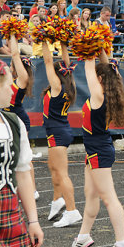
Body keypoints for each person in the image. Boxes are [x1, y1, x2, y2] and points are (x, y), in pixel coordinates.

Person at [67, 51, 124, 247]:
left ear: (100, 79)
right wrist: (101, 49)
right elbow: (106, 69)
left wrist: (88, 48)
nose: (92, 79)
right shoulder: (105, 91)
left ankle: (122, 242)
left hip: (99, 152)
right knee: (91, 195)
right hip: (95, 152)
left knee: (109, 198)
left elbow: (89, 69)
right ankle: (84, 236)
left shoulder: (98, 96)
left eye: (96, 77)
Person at [0, 59, 44, 247]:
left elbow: (23, 174)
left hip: (10, 213)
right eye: (8, 84)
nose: (12, 90)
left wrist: (33, 221)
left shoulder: (13, 122)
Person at [41, 40, 82, 227]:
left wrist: (44, 40)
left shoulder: (57, 86)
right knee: (53, 168)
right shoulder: (69, 84)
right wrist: (64, 43)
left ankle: (72, 210)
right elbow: (65, 62)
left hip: (57, 132)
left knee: (62, 173)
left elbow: (48, 62)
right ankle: (58, 200)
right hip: (58, 131)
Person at [4, 35, 39, 200]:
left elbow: (15, 55)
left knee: (25, 156)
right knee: (15, 155)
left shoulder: (22, 80)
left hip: (18, 121)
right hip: (9, 120)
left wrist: (12, 33)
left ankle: (33, 190)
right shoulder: (11, 79)